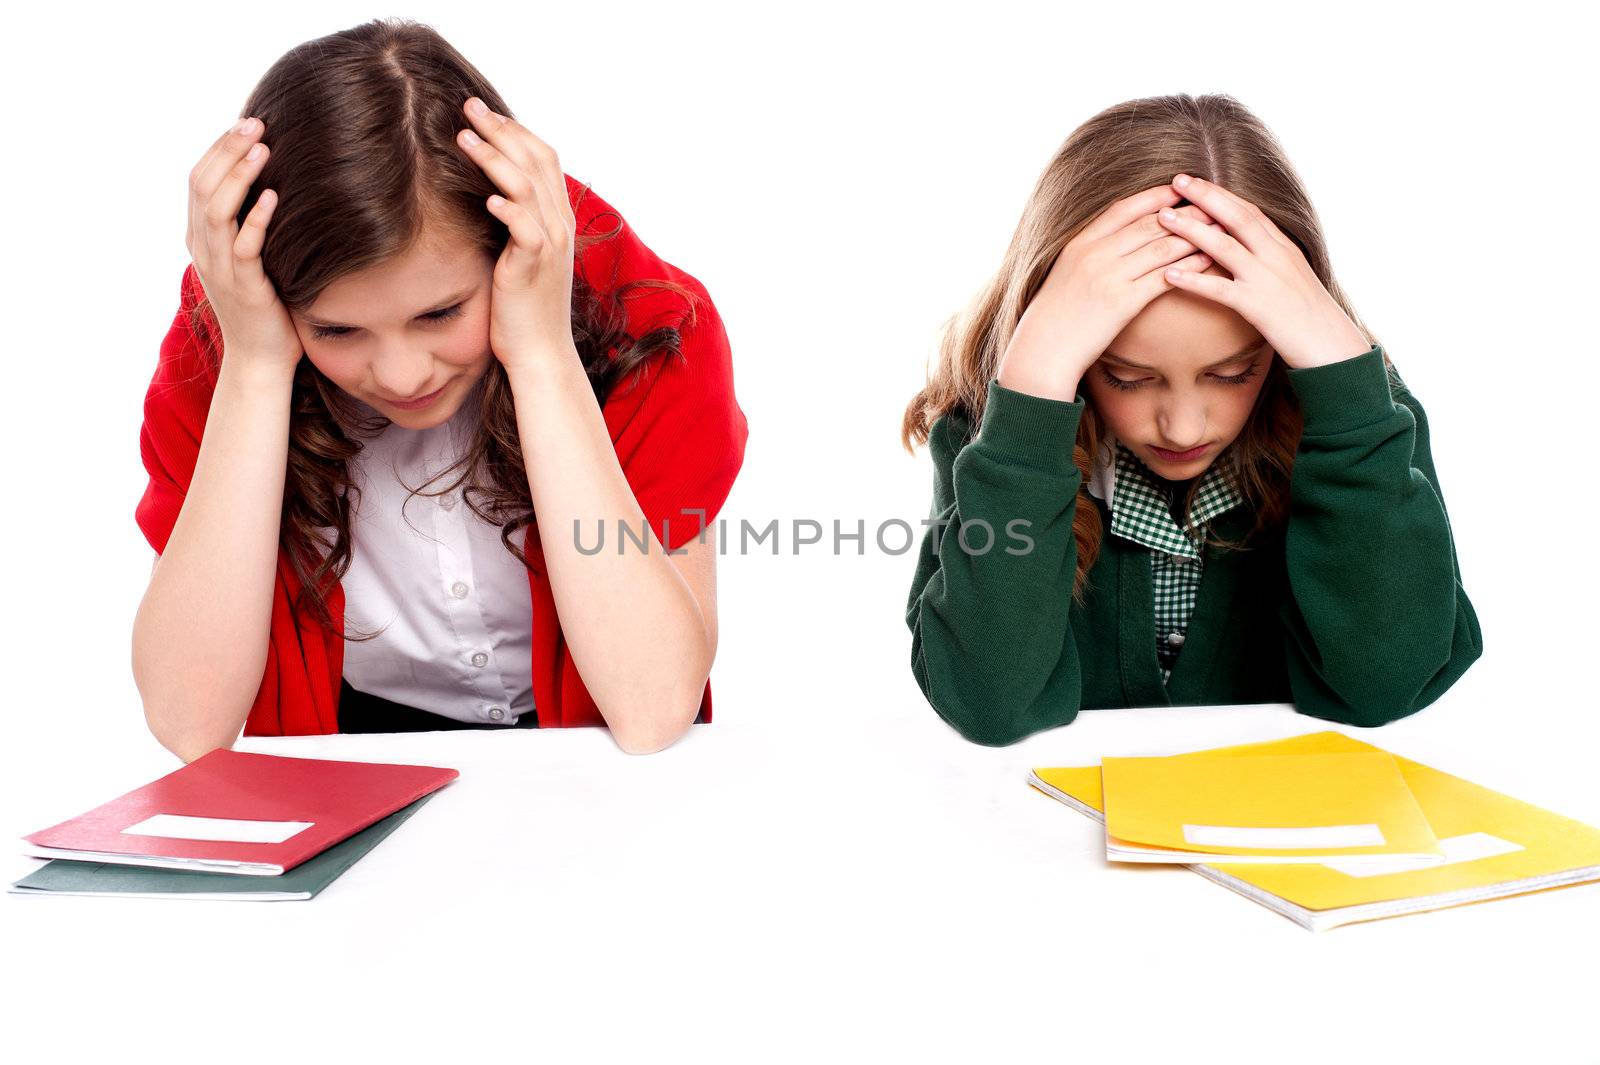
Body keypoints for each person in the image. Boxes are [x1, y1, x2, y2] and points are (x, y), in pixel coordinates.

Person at [132, 19, 747, 760]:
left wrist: (543, 353)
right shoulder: (227, 344)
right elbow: (189, 722)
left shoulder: (654, 325)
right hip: (351, 749)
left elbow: (653, 707)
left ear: (508, 250)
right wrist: (258, 369)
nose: (401, 373)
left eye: (440, 313)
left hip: (590, 756)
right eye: (336, 331)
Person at [901, 93, 1481, 746]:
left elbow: (1390, 684)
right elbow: (987, 704)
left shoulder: (1363, 427)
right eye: (1128, 376)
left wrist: (1347, 389)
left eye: (1234, 373)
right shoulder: (999, 432)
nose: (1182, 427)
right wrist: (1033, 388)